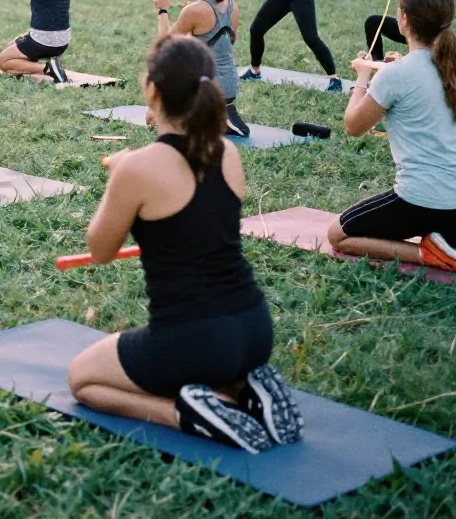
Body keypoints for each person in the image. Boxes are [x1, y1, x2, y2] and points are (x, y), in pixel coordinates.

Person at [66, 35, 303, 454]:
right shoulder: (228, 152)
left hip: (192, 341)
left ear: (152, 91)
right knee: (210, 357)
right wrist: (135, 166)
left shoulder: (137, 170)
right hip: (253, 329)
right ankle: (243, 387)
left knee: (82, 379)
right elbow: (190, 192)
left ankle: (188, 413)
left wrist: (121, 176)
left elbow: (99, 250)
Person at [329, 0, 456, 273]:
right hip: (455, 203)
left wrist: (362, 77)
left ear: (402, 20)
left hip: (421, 199)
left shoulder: (395, 75)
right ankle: (446, 242)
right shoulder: (451, 64)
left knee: (337, 234)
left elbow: (353, 126)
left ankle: (432, 255)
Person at [154, 0, 249, 138]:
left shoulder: (195, 10)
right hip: (230, 86)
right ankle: (220, 114)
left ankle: (203, 118)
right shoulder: (233, 5)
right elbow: (226, 41)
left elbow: (164, 44)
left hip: (207, 87)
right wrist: (191, 9)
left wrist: (163, 10)